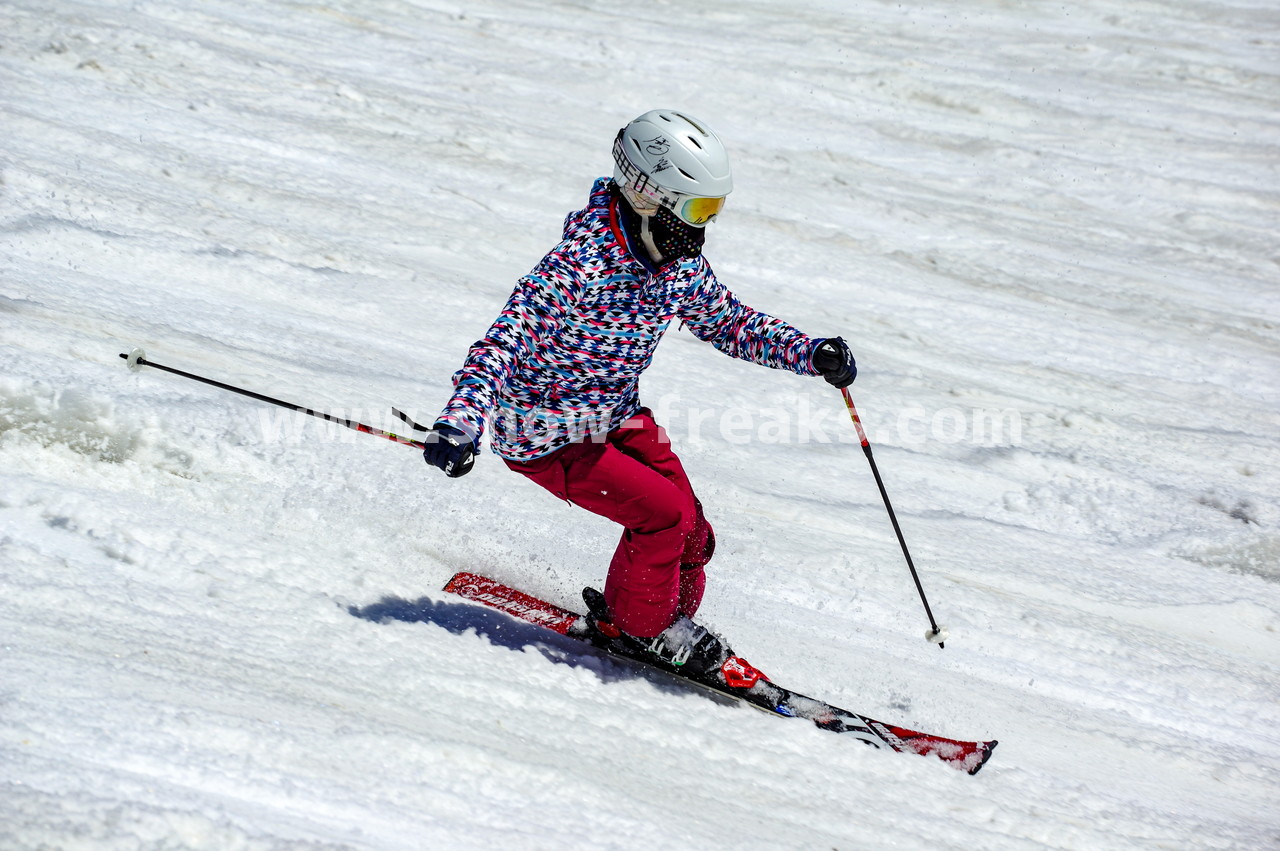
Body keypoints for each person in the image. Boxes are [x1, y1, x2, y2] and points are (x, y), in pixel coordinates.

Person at [423, 109, 856, 683]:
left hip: (618, 415)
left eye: (713, 210)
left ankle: (653, 622)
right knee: (662, 517)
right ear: (651, 194)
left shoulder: (676, 264)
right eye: (699, 209)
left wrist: (808, 352)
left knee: (694, 536)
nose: (704, 226)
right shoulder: (580, 264)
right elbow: (504, 342)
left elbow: (727, 321)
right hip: (546, 434)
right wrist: (461, 422)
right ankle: (645, 629)